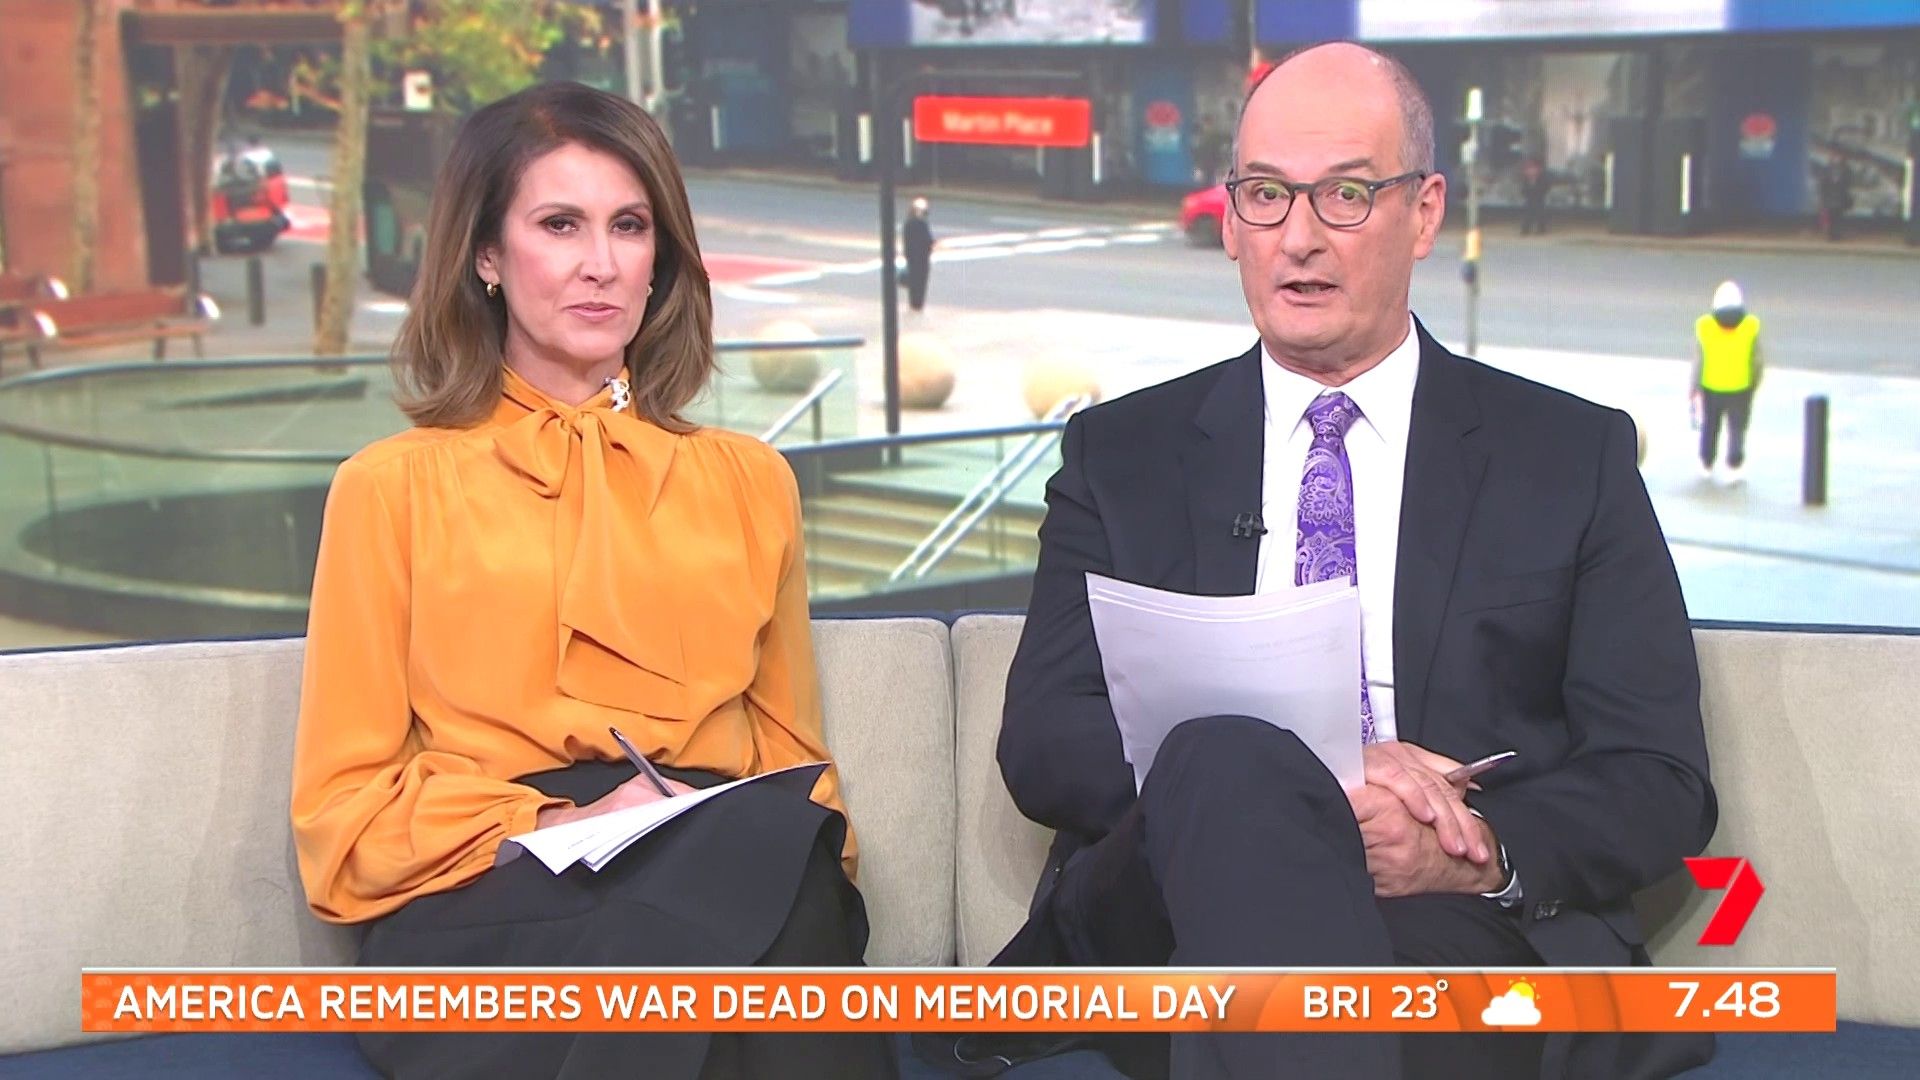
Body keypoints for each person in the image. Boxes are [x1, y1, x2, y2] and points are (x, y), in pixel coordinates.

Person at [986, 43, 1715, 1080]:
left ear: (1424, 213)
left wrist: (1476, 852)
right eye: (1266, 195)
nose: (1298, 238)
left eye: (1345, 195)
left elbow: (1659, 775)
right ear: (1230, 219)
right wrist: (1314, 786)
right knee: (1229, 758)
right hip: (1167, 906)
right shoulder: (1122, 455)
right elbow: (1048, 741)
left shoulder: (1568, 457)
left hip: (1447, 917)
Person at [289, 82, 894, 1080]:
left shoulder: (750, 481)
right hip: (489, 882)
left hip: (725, 844)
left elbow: (794, 757)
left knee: (773, 869)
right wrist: (556, 825)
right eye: (560, 225)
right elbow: (342, 810)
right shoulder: (392, 487)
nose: (601, 264)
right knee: (767, 952)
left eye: (630, 226)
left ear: (662, 258)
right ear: (487, 255)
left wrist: (745, 836)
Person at [1691, 280, 1763, 485]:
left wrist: (1693, 387)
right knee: (1737, 428)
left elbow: (1699, 361)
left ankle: (1706, 463)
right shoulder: (1750, 326)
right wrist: (1754, 383)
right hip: (1741, 388)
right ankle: (1734, 466)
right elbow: (1757, 361)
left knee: (1710, 426)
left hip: (1711, 386)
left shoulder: (1705, 326)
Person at [902, 196, 935, 313]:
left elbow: (906, 241)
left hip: (911, 257)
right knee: (921, 281)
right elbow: (928, 241)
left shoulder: (908, 223)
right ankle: (918, 304)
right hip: (922, 257)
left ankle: (913, 303)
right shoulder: (922, 224)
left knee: (913, 281)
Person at [1519, 153, 1550, 235]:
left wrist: (1538, 192)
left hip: (1539, 199)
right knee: (1527, 214)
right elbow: (1523, 190)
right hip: (1529, 199)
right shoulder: (1526, 180)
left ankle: (1541, 228)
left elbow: (1545, 188)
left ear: (1539, 169)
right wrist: (1527, 193)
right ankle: (1525, 229)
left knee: (1540, 213)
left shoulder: (1543, 178)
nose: (1530, 171)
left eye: (1533, 168)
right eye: (1528, 169)